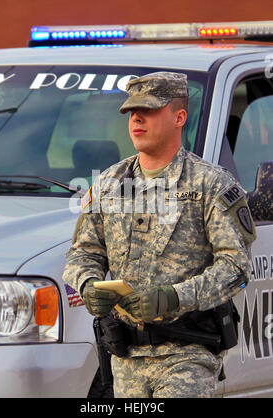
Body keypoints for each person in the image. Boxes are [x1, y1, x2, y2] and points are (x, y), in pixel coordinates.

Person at [63, 72, 256, 398]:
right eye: (130, 111)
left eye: (149, 109)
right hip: (125, 360)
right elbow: (83, 253)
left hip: (187, 354)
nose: (137, 117)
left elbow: (236, 269)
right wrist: (87, 284)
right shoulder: (110, 184)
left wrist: (174, 297)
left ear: (179, 117)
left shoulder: (210, 184)